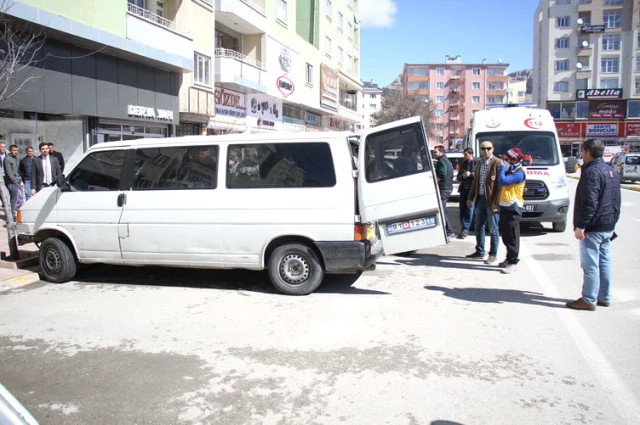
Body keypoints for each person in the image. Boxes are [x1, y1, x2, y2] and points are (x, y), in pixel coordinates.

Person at [566, 139, 621, 311]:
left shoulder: (591, 172)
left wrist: (581, 225)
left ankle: (588, 299)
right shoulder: (610, 170)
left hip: (594, 225)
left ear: (588, 153)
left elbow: (590, 202)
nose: (581, 154)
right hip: (607, 223)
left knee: (590, 264)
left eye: (582, 151)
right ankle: (603, 296)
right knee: (604, 261)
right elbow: (616, 200)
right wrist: (613, 221)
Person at [465, 140, 502, 264]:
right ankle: (480, 251)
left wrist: (497, 201)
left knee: (493, 229)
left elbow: (500, 184)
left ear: (493, 149)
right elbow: (475, 183)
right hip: (480, 199)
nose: (486, 151)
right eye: (483, 148)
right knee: (478, 226)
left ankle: (493, 254)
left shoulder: (497, 163)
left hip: (492, 201)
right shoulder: (479, 162)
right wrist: (470, 198)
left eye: (488, 148)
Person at [497, 147, 527, 274]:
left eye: (506, 159)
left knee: (512, 236)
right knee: (506, 236)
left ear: (514, 160)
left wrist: (502, 167)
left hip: (513, 208)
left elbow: (502, 181)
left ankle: (513, 262)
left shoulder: (518, 173)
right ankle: (508, 258)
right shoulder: (511, 170)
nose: (504, 161)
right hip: (505, 207)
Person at [433, 145, 454, 239]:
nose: (434, 154)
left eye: (435, 152)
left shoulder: (442, 161)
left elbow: (442, 175)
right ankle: (446, 230)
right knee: (441, 210)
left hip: (444, 188)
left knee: (441, 210)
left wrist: (433, 181)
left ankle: (449, 231)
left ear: (441, 152)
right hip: (446, 188)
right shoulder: (445, 160)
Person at [456, 147, 476, 239]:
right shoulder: (463, 164)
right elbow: (458, 177)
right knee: (462, 210)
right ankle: (463, 227)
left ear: (471, 154)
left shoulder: (476, 163)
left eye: (466, 154)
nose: (464, 156)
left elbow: (480, 175)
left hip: (472, 190)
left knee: (469, 210)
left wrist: (471, 174)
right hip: (463, 189)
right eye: (464, 154)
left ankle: (465, 230)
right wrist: (463, 176)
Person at [3, 144, 22, 220]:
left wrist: (19, 178)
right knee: (14, 199)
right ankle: (11, 215)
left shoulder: (16, 158)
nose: (16, 152)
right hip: (11, 182)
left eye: (17, 150)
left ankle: (12, 214)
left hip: (17, 181)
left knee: (15, 199)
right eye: (14, 150)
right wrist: (15, 181)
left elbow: (17, 169)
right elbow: (9, 172)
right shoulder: (7, 159)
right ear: (10, 150)